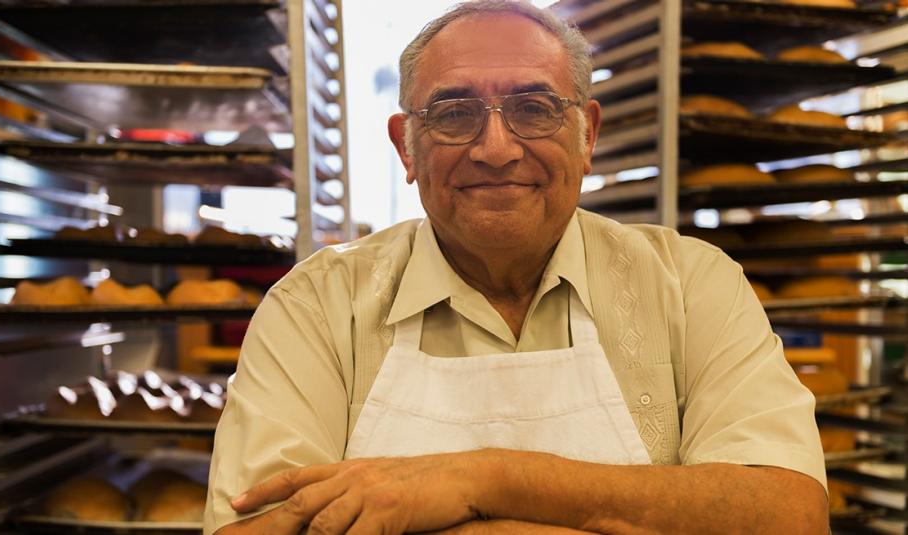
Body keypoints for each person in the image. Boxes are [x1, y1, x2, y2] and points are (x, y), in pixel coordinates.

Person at [205, 1, 828, 533]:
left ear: (586, 135)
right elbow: (258, 527)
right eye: (453, 114)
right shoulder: (316, 307)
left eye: (534, 108)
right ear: (406, 146)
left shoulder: (690, 286)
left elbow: (790, 516)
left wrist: (481, 479)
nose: (496, 149)